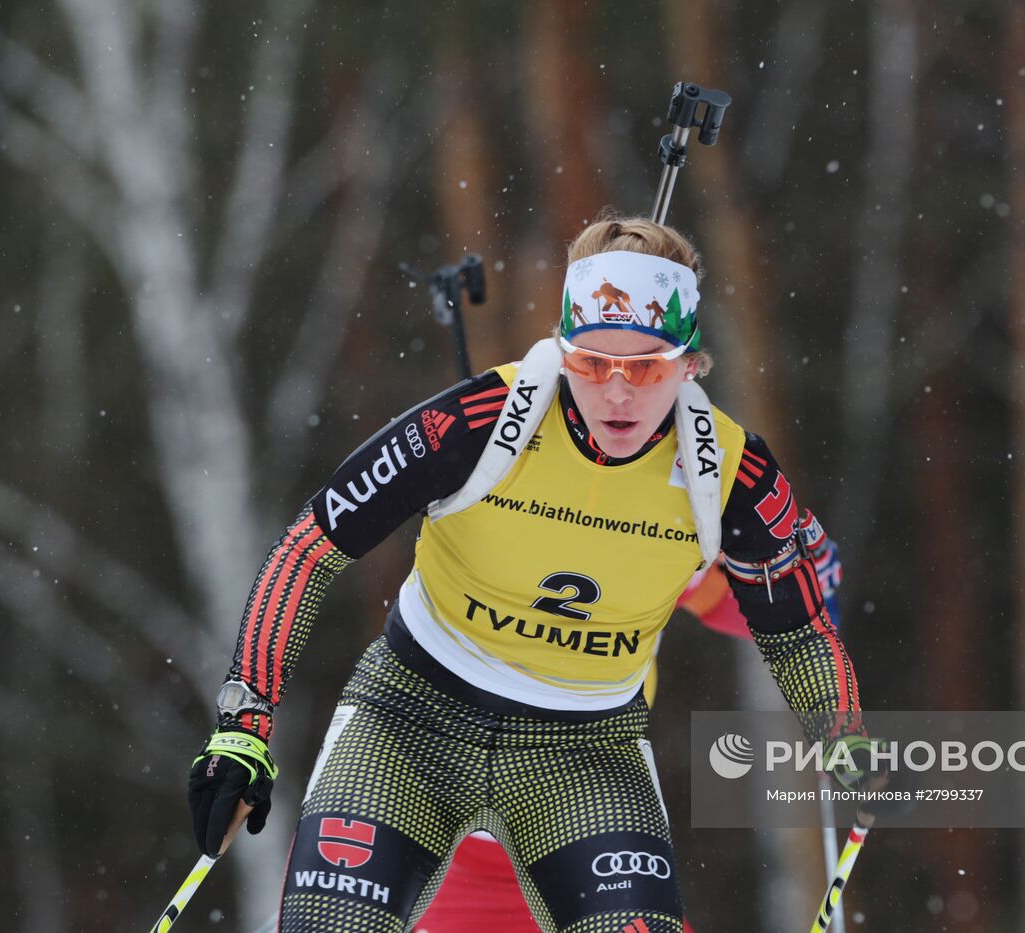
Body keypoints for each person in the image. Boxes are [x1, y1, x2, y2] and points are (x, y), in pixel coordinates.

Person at [186, 215, 868, 932]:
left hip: (583, 752)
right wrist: (244, 724)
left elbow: (797, 631)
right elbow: (310, 545)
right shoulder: (481, 420)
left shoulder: (729, 472)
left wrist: (843, 733)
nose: (616, 394)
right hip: (410, 722)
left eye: (646, 367)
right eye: (591, 363)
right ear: (560, 349)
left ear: (691, 363)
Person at [415, 541, 843, 932]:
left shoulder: (651, 530)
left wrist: (797, 593)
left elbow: (726, 601)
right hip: (458, 853)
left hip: (589, 836)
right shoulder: (482, 513)